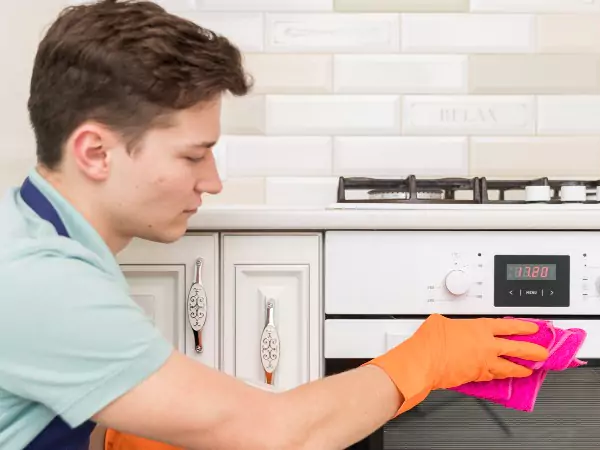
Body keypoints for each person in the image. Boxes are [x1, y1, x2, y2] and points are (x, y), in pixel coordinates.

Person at [0, 1, 550, 449]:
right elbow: (277, 437)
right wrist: (427, 359)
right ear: (95, 152)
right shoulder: (44, 284)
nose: (212, 181)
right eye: (194, 156)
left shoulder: (31, 237)